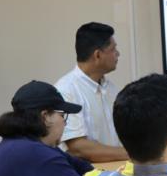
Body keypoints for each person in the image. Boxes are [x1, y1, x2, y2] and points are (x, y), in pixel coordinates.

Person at [55, 22, 128, 163]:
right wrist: (134, 154)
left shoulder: (111, 88)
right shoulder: (66, 90)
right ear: (98, 55)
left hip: (117, 169)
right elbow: (78, 148)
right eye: (113, 49)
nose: (118, 54)